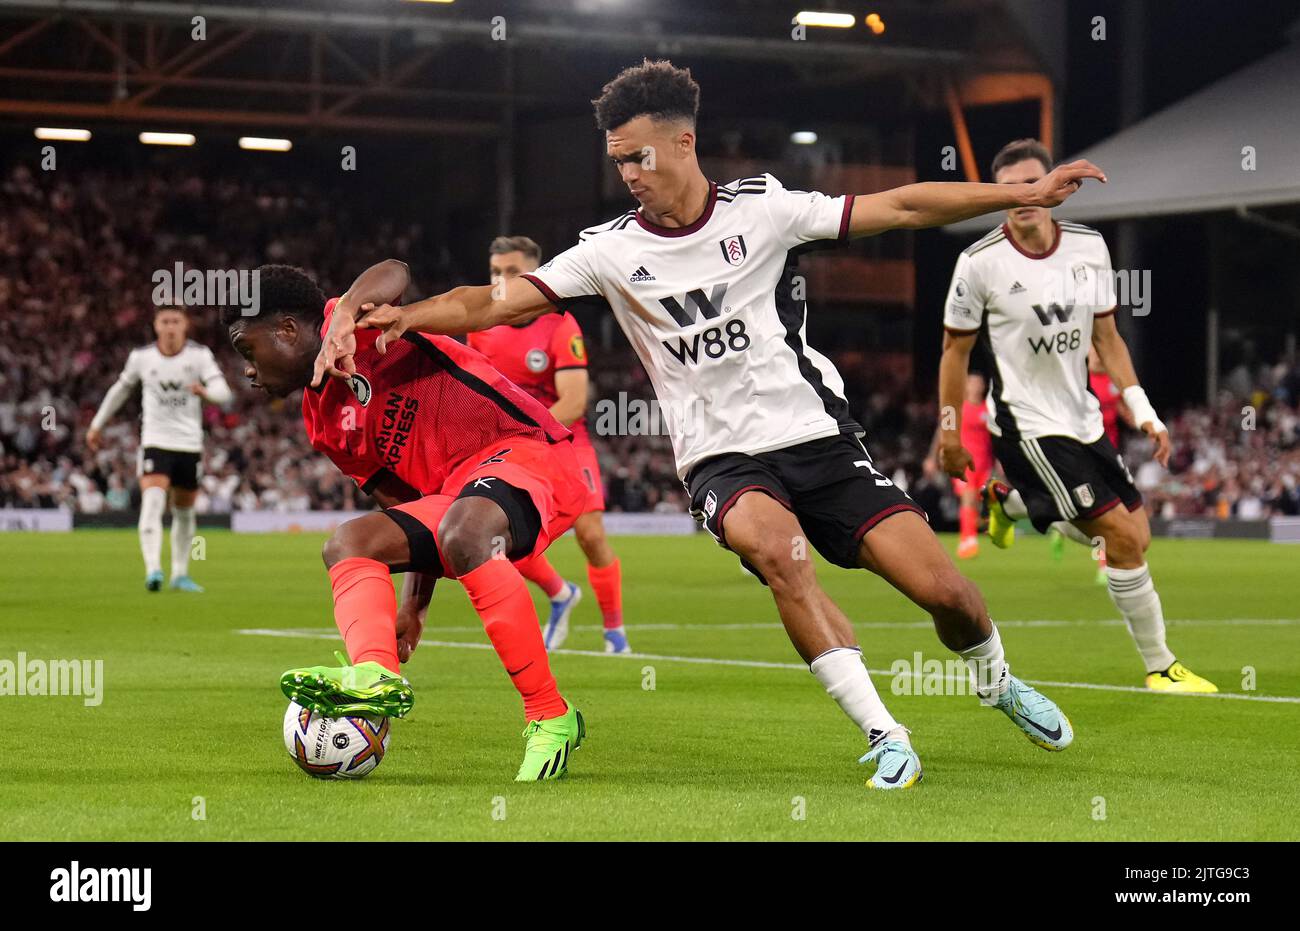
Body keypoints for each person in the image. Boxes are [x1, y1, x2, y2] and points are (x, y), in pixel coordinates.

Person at [318, 61, 1108, 788]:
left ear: (683, 142)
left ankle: (996, 679)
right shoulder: (609, 251)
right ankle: (883, 732)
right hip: (721, 459)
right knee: (779, 555)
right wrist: (404, 318)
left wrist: (1018, 197)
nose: (627, 175)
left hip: (817, 437)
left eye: (638, 158)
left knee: (949, 594)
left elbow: (900, 205)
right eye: (618, 162)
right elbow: (489, 302)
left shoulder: (765, 212)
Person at [225, 262, 589, 781]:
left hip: (527, 453)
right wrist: (412, 607)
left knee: (466, 531)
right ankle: (374, 672)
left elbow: (394, 271)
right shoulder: (323, 425)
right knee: (350, 542)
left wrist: (347, 316)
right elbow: (409, 504)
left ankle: (550, 716)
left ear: (286, 330)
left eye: (247, 350)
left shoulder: (358, 324)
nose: (248, 371)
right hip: (461, 496)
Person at [937, 137, 1217, 694]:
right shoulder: (979, 263)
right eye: (1012, 187)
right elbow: (955, 351)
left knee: (1136, 536)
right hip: (1025, 424)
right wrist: (948, 431)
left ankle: (1010, 504)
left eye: (1033, 184)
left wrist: (1143, 411)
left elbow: (1107, 339)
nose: (1024, 196)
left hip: (1084, 419)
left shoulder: (1089, 248)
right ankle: (1161, 666)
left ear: (1056, 189)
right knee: (1119, 535)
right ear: (1000, 194)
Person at [469, 236, 630, 652]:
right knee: (498, 534)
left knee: (591, 534)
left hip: (563, 440)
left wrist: (523, 431)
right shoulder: (480, 328)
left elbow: (574, 401)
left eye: (511, 272)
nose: (502, 281)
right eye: (495, 273)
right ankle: (560, 593)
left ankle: (614, 632)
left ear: (534, 273)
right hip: (512, 446)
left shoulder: (561, 325)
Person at [87, 305, 231, 592]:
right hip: (155, 441)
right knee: (152, 501)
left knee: (184, 511)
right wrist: (97, 424)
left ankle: (180, 573)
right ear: (156, 325)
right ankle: (153, 569)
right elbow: (120, 390)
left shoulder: (199, 356)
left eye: (175, 321)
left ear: (185, 324)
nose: (170, 326)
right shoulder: (142, 358)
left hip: (189, 444)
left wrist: (206, 393)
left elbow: (224, 392)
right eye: (164, 321)